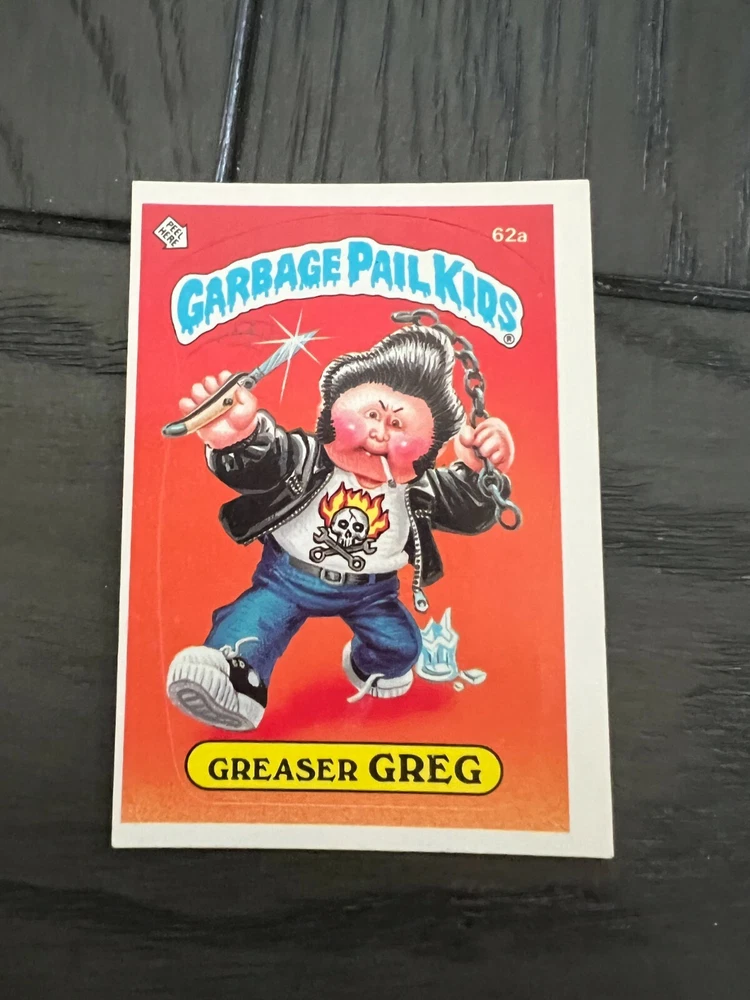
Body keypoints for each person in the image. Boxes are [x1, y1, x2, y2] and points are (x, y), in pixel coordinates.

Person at [167, 318, 515, 731]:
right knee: (249, 628)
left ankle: (369, 665)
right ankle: (233, 683)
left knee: (401, 647)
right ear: (328, 411)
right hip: (287, 579)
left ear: (431, 450)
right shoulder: (307, 458)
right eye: (371, 413)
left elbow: (468, 512)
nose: (379, 434)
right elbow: (268, 460)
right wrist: (239, 438)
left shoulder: (417, 489)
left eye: (399, 425)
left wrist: (479, 471)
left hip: (372, 593)